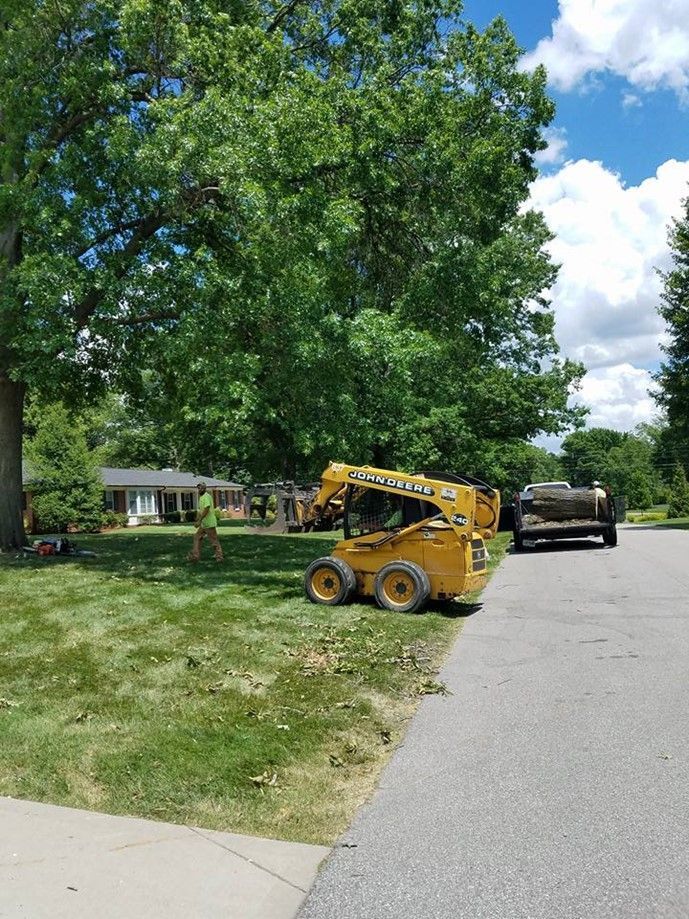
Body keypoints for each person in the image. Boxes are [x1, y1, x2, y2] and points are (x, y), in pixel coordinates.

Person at [188, 483, 224, 562]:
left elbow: (206, 509)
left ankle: (219, 557)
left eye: (201, 488)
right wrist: (198, 519)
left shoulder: (206, 496)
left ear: (204, 488)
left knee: (214, 540)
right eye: (198, 488)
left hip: (209, 523)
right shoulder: (201, 497)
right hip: (204, 524)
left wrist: (200, 520)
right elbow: (201, 510)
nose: (199, 490)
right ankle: (195, 556)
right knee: (197, 537)